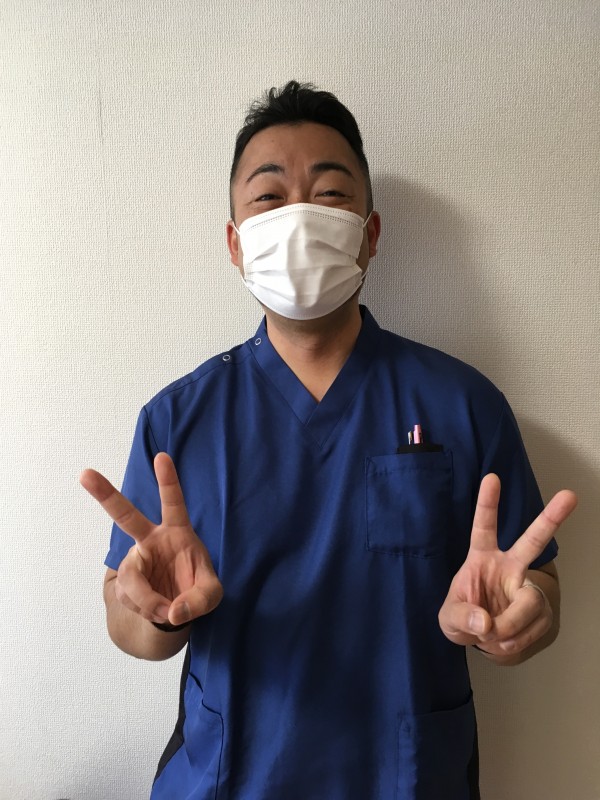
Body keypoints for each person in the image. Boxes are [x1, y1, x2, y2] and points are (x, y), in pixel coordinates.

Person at [80, 81, 577, 800]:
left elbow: (538, 588)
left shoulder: (465, 404)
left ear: (370, 235)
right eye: (269, 197)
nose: (299, 218)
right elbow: (131, 624)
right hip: (226, 780)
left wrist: (523, 617)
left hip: (407, 780)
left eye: (331, 195)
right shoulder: (178, 419)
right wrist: (151, 613)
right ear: (235, 244)